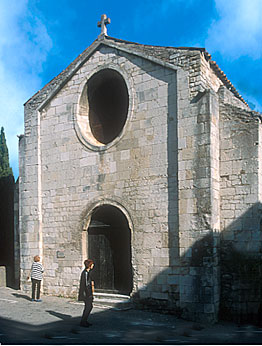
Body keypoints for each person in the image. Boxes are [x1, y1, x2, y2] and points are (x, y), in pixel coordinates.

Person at [78, 259, 95, 327]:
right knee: (88, 307)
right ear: (89, 265)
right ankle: (83, 322)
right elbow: (86, 285)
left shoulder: (87, 273)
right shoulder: (85, 273)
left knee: (89, 307)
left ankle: (84, 320)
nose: (93, 265)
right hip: (87, 294)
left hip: (87, 293)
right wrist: (90, 294)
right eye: (92, 264)